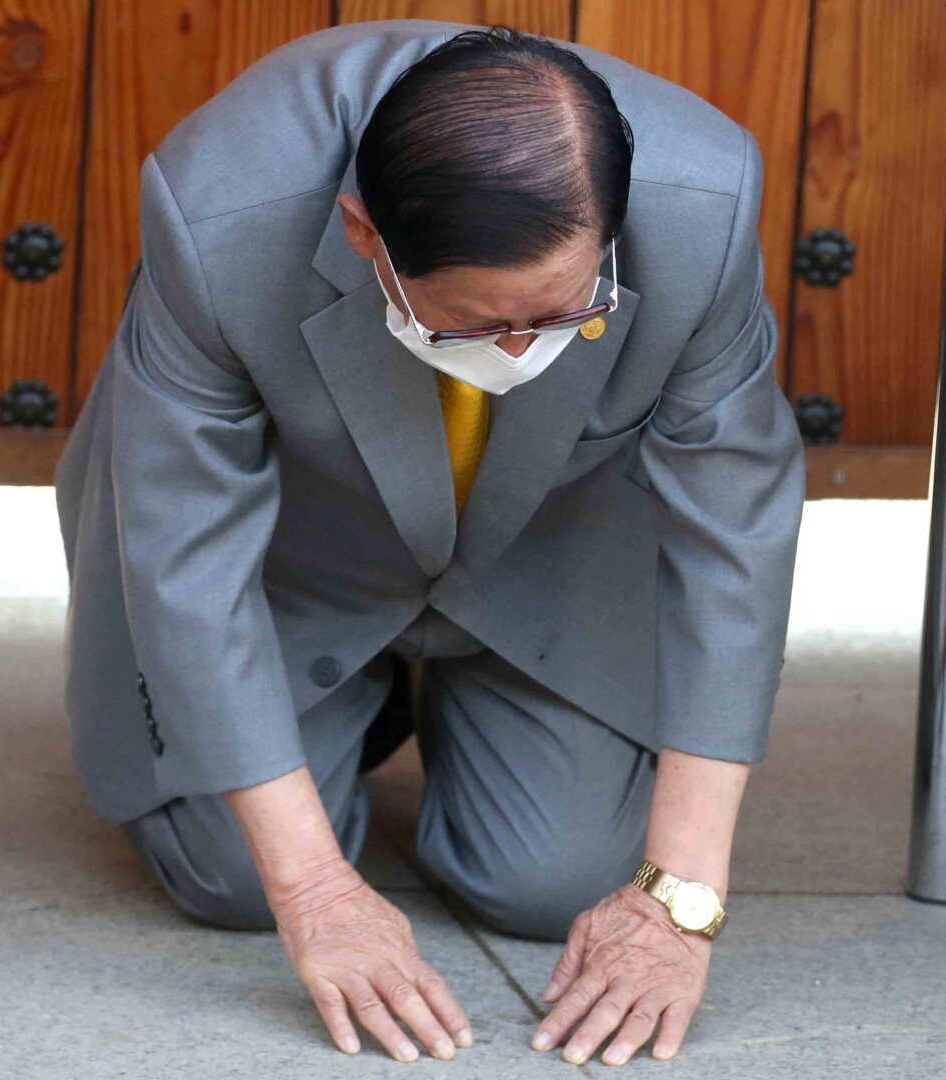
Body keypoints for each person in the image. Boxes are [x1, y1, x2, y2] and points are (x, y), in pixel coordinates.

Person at [54, 20, 803, 1067]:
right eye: (469, 327)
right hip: (298, 555)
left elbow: (737, 531)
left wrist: (681, 904)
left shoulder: (705, 197)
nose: (515, 353)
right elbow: (186, 544)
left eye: (559, 318)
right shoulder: (220, 204)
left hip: (544, 550)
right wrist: (314, 892)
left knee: (550, 887)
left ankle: (440, 704)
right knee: (233, 881)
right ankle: (347, 711)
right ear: (365, 235)